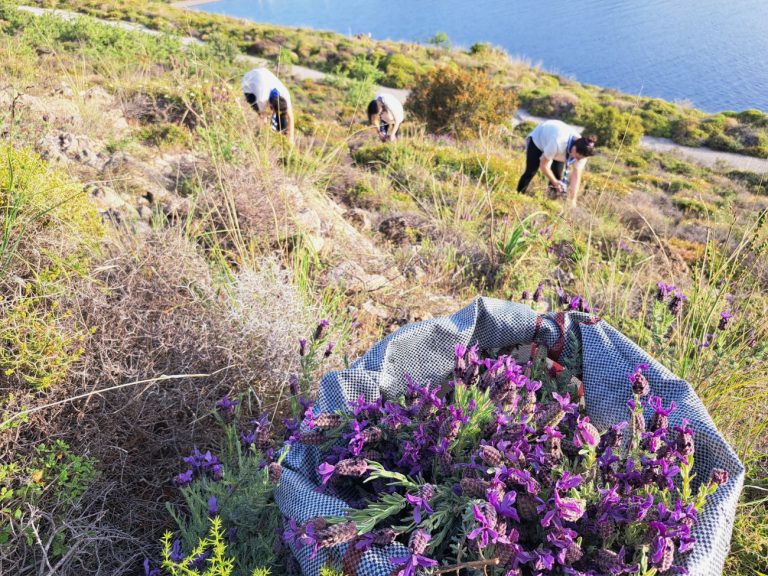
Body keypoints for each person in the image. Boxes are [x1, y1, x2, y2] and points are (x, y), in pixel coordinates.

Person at [516, 119, 597, 207]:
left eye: (580, 159)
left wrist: (573, 200)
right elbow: (543, 165)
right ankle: (518, 196)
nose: (577, 160)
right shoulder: (557, 142)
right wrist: (554, 181)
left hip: (560, 146)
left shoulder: (583, 154)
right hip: (540, 138)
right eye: (577, 157)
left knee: (557, 175)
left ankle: (549, 203)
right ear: (574, 148)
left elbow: (576, 177)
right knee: (531, 171)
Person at [242, 67, 295, 144]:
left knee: (282, 119)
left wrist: (291, 139)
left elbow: (290, 117)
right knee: (259, 115)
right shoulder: (262, 98)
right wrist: (269, 136)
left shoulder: (285, 94)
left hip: (265, 77)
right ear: (271, 106)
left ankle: (283, 140)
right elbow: (263, 118)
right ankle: (257, 138)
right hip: (250, 83)